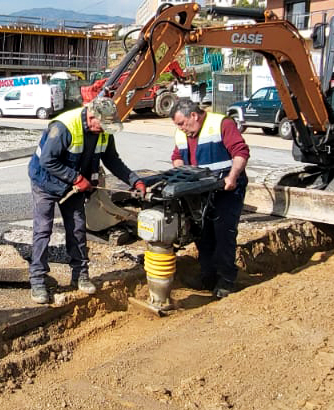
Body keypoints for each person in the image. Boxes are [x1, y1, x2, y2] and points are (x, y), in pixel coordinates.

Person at [26, 97, 146, 304]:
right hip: (45, 182)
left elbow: (113, 161)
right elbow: (47, 160)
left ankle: (80, 275)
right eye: (103, 124)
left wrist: (135, 181)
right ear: (91, 116)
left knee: (77, 228)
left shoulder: (103, 133)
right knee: (43, 230)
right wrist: (77, 178)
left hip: (74, 186)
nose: (105, 129)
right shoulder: (64, 127)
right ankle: (37, 280)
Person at [168, 100, 250, 299]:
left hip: (226, 190)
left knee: (223, 234)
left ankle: (226, 280)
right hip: (200, 193)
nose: (180, 128)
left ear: (194, 116)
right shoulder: (182, 132)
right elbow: (177, 155)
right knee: (202, 235)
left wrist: (232, 177)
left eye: (182, 123)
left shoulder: (222, 124)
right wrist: (180, 172)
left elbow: (241, 152)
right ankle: (208, 277)